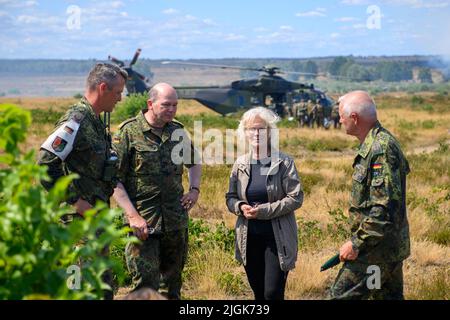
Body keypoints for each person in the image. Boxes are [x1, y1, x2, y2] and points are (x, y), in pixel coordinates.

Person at [37, 63, 128, 299]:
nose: (120, 98)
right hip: (75, 225)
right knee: (77, 287)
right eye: (118, 92)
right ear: (103, 88)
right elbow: (45, 164)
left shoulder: (96, 120)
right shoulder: (76, 120)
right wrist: (76, 202)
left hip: (94, 221)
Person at [113, 82, 202, 300]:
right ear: (150, 104)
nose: (171, 109)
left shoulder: (177, 131)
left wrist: (194, 190)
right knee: (144, 288)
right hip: (143, 224)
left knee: (172, 286)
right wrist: (132, 216)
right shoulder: (128, 132)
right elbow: (114, 180)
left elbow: (194, 162)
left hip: (174, 222)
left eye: (175, 105)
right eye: (166, 105)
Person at [329, 90, 410, 300]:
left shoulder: (380, 149)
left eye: (342, 116)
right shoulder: (376, 144)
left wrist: (356, 243)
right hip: (384, 248)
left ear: (354, 118)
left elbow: (383, 208)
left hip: (375, 251)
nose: (339, 120)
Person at [225, 107, 303, 300]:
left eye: (261, 128)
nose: (256, 133)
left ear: (270, 132)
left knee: (272, 294)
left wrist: (262, 211)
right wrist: (240, 207)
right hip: (248, 237)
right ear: (245, 132)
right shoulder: (240, 164)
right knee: (258, 294)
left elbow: (295, 198)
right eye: (251, 129)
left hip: (277, 238)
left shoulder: (284, 163)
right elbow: (230, 197)